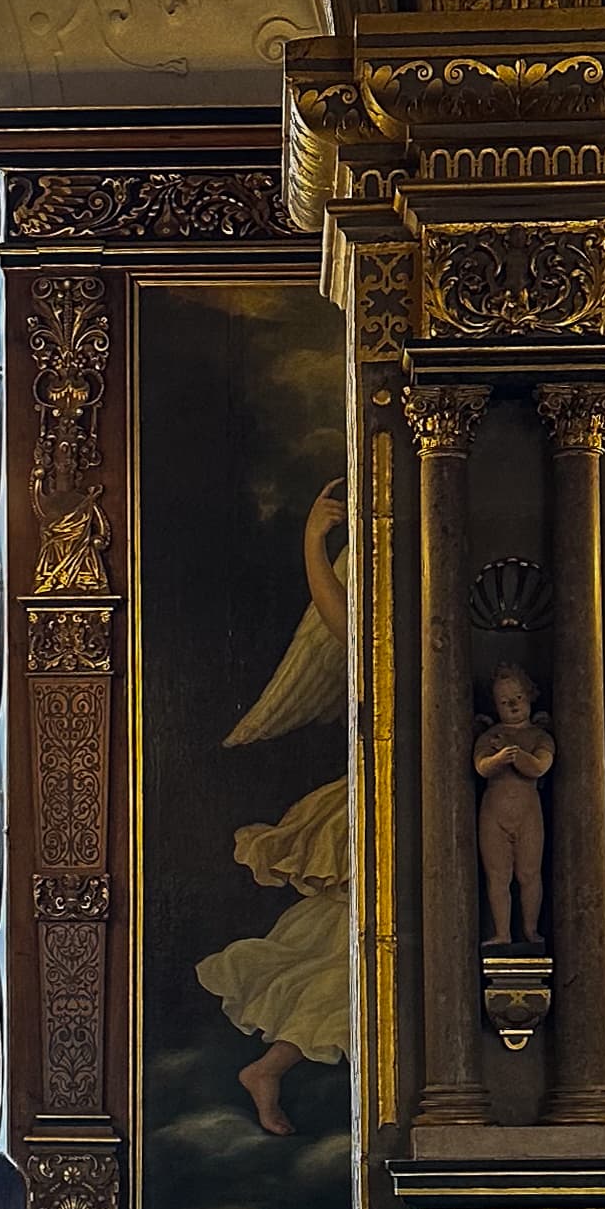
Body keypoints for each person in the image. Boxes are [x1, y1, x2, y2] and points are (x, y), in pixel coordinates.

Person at [196, 478, 351, 1134]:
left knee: (346, 952)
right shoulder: (380, 581)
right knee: (353, 950)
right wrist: (314, 541)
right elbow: (339, 622)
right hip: (385, 798)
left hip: (417, 795)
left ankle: (272, 1066)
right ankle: (271, 1068)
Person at [474, 662, 553, 950]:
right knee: (498, 876)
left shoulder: (539, 736)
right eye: (504, 701)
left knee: (529, 874)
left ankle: (531, 930)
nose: (512, 705)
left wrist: (515, 755)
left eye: (517, 698)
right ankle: (503, 933)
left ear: (529, 696)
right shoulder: (491, 736)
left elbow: (540, 766)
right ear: (496, 706)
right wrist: (497, 759)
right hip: (493, 815)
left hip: (528, 815)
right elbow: (481, 767)